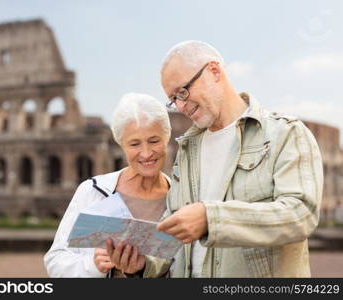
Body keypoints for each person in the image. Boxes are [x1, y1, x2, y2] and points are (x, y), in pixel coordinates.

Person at [109, 40, 323, 277]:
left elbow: (300, 214)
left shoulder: (285, 133)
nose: (180, 106)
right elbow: (174, 234)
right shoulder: (187, 149)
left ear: (214, 71)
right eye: (173, 99)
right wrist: (142, 264)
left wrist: (211, 219)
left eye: (183, 92)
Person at [44, 92, 172, 277]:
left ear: (166, 138)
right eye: (134, 144)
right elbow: (55, 261)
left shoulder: (180, 198)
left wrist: (146, 267)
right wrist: (93, 265)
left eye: (154, 141)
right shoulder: (92, 191)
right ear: (122, 145)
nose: (146, 153)